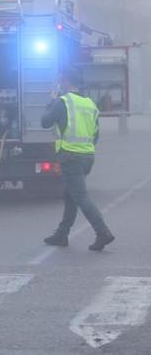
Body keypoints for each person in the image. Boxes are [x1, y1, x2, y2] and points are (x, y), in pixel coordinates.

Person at [41, 67, 114, 251]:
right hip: (87, 156)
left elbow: (45, 122)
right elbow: (96, 134)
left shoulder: (63, 101)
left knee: (80, 196)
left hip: (71, 156)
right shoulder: (90, 103)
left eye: (60, 80)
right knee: (70, 194)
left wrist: (51, 100)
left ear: (65, 81)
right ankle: (62, 234)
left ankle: (103, 232)